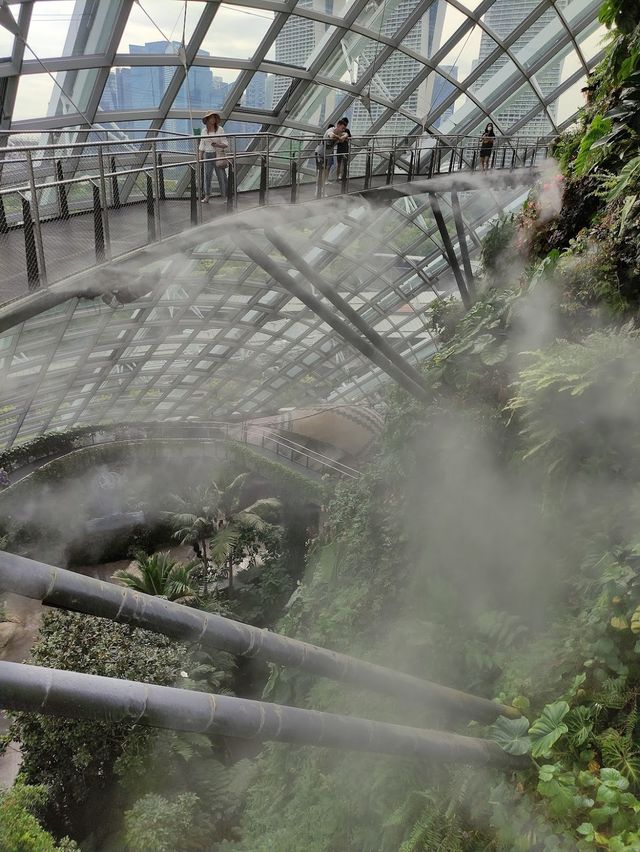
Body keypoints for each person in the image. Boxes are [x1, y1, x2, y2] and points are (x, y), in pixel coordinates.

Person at [198, 111, 229, 201]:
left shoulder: (220, 129)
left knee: (221, 175)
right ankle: (207, 195)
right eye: (211, 118)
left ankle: (225, 196)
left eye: (214, 118)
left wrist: (217, 145)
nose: (213, 119)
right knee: (207, 176)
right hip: (207, 154)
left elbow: (225, 143)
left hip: (217, 154)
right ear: (207, 120)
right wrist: (200, 156)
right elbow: (202, 144)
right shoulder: (204, 131)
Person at [335, 117, 351, 182]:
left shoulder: (347, 130)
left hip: (343, 148)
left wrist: (343, 138)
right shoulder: (340, 130)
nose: (345, 127)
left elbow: (349, 138)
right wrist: (344, 139)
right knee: (340, 164)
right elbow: (340, 139)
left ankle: (341, 177)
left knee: (343, 164)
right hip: (342, 148)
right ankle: (339, 177)